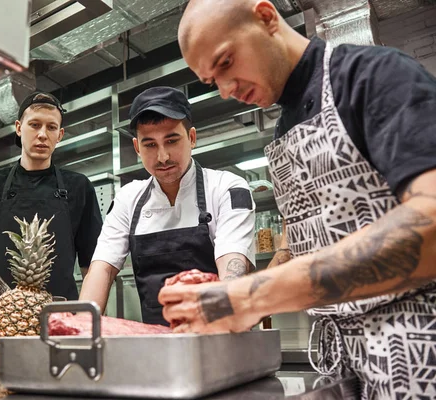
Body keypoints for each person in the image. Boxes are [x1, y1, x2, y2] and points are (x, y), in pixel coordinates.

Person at [160, 0, 436, 398]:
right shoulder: (282, 134)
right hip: (340, 363)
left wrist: (250, 296)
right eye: (211, 81)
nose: (224, 90)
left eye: (225, 62)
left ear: (267, 17)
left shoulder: (372, 75)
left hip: (417, 352)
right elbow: (310, 241)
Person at [0, 91, 103, 372]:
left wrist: (85, 328)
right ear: (19, 128)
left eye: (51, 127)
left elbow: (93, 267)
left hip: (61, 330)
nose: (42, 134)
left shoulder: (79, 187)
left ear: (61, 134)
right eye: (35, 125)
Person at [79, 86, 256, 326]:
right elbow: (102, 269)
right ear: (137, 148)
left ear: (192, 138)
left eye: (172, 140)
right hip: (156, 345)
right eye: (150, 145)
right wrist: (81, 327)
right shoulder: (127, 199)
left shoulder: (226, 187)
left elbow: (232, 265)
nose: (162, 157)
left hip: (217, 332)